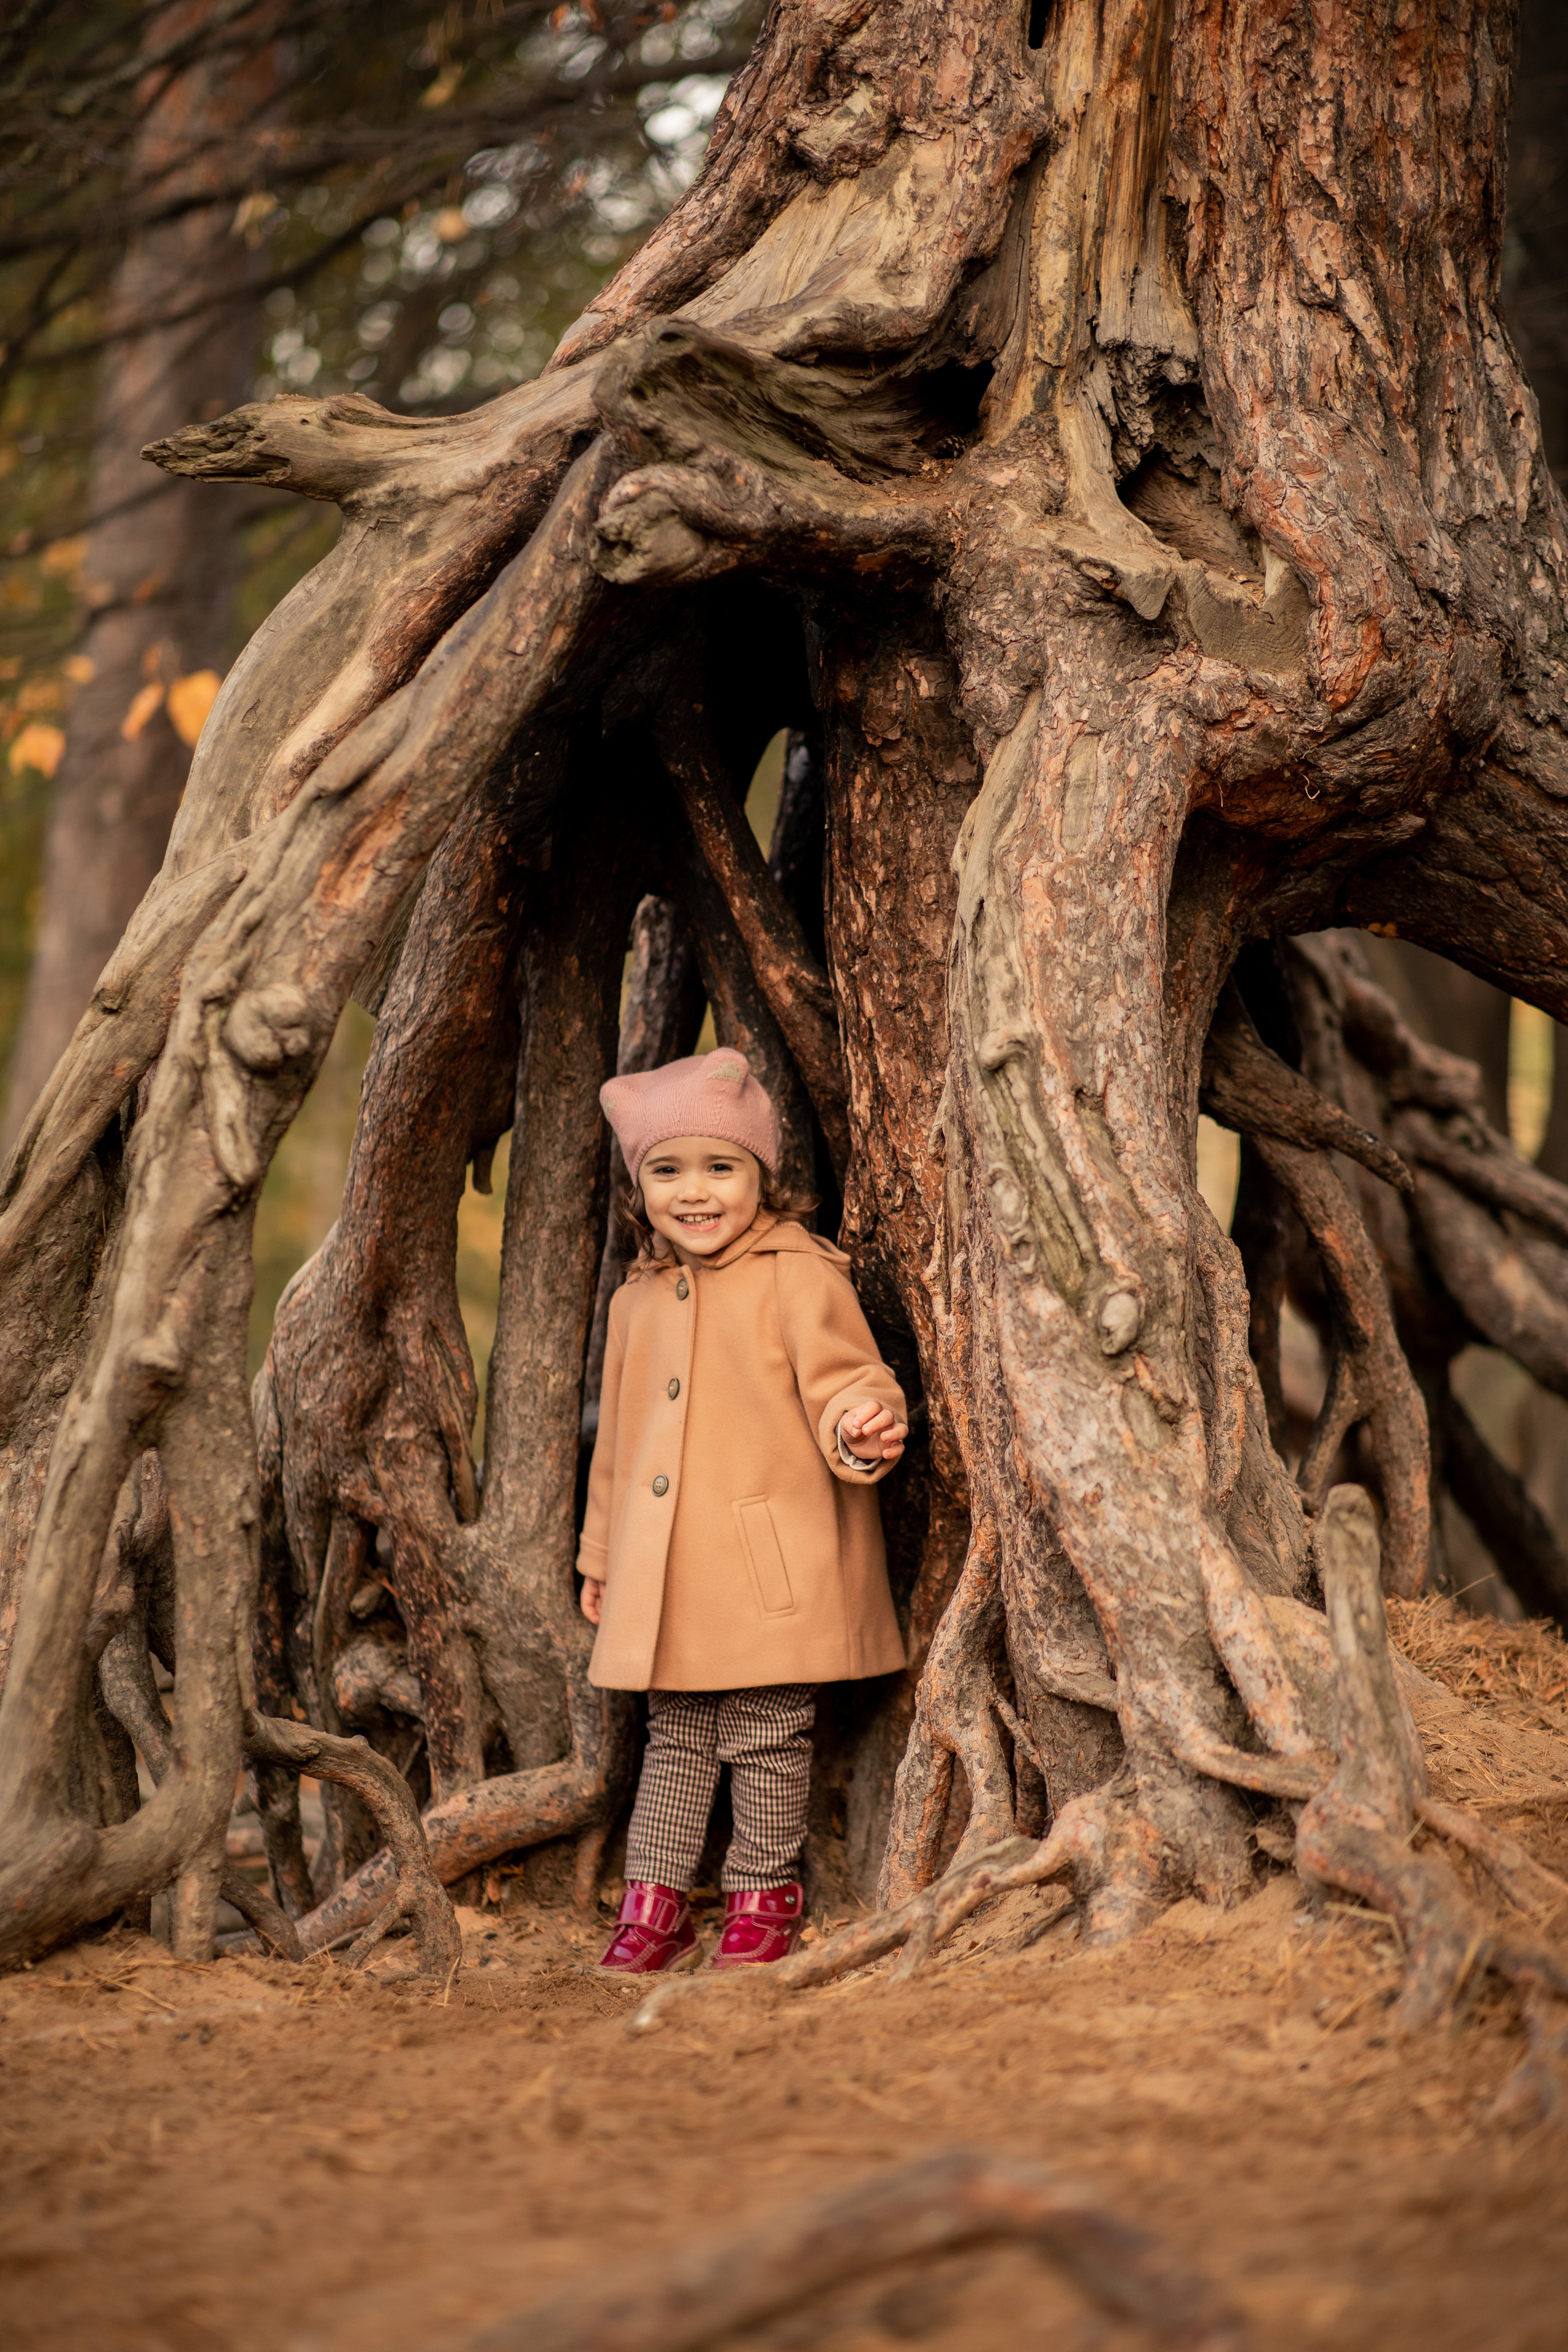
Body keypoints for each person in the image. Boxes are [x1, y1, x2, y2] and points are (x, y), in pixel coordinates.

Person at [579, 1046, 908, 1974]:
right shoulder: (638, 1300)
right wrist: (602, 1556)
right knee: (675, 1740)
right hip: (670, 1574)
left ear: (763, 1176)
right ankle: (657, 1905)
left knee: (766, 1734)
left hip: (771, 1566)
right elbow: (620, 1449)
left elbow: (850, 1380)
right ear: (641, 1186)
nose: (696, 1193)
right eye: (668, 1171)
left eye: (721, 1168)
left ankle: (765, 1899)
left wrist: (863, 1426)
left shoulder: (797, 1273)